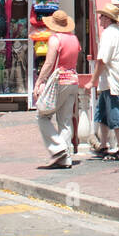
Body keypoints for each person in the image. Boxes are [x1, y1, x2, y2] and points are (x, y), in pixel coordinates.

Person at [34, 9, 81, 169]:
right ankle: (65, 157)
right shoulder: (74, 39)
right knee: (65, 120)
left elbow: (49, 63)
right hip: (73, 80)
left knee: (42, 116)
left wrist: (39, 81)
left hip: (59, 80)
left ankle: (58, 148)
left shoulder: (55, 39)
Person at [91, 3, 119, 161]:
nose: (100, 19)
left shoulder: (108, 34)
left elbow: (102, 60)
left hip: (112, 80)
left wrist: (93, 80)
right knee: (104, 113)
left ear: (107, 18)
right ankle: (104, 144)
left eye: (102, 16)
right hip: (114, 79)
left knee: (115, 113)